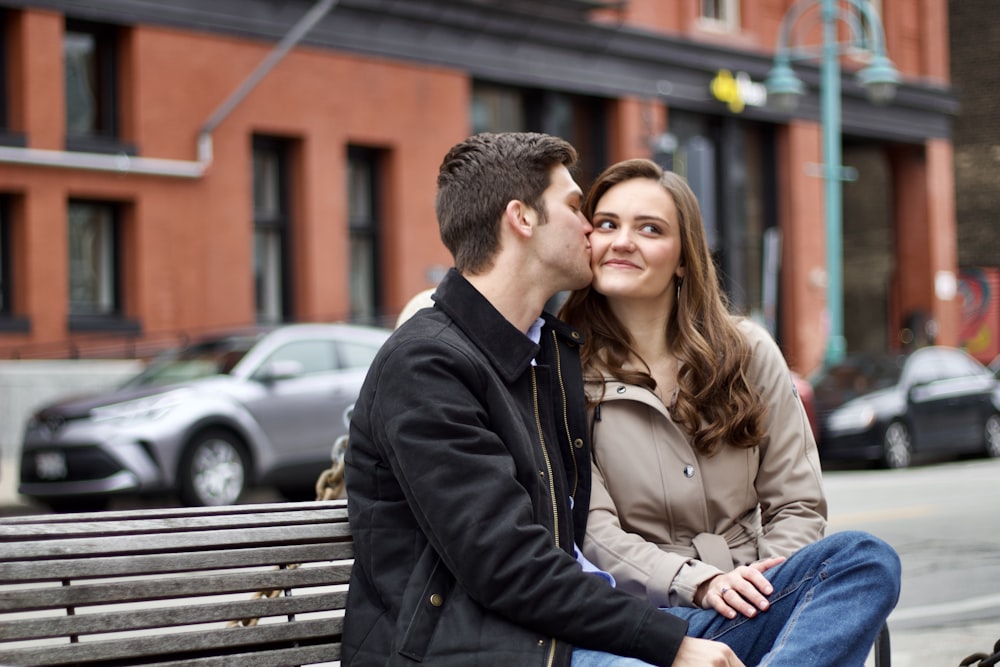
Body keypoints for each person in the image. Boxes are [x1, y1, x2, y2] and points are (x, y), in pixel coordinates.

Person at [343, 132, 746, 666]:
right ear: (523, 219)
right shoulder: (425, 365)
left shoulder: (542, 353)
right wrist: (671, 644)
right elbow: (508, 565)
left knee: (853, 564)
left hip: (567, 628)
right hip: (484, 650)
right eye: (577, 208)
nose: (590, 229)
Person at [559, 158, 902, 665]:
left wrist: (757, 588)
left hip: (750, 600)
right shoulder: (562, 369)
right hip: (637, 624)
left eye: (649, 229)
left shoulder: (747, 352)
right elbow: (592, 532)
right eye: (607, 224)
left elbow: (797, 504)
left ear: (682, 258)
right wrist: (698, 582)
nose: (623, 241)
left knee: (867, 559)